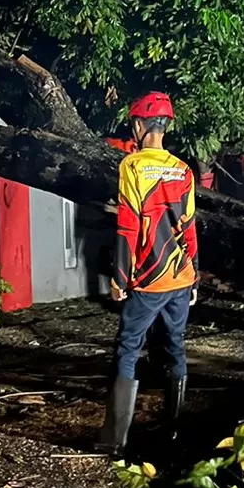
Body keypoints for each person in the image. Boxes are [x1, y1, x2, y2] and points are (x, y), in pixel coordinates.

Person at [98, 92, 199, 457]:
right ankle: (174, 431)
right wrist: (195, 277)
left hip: (148, 279)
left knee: (128, 348)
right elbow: (189, 227)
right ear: (166, 126)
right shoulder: (184, 170)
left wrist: (120, 278)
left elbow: (126, 228)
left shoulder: (132, 167)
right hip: (180, 276)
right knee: (175, 346)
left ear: (139, 126)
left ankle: (115, 440)